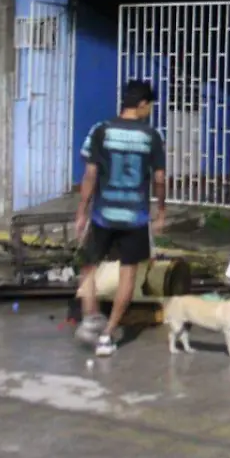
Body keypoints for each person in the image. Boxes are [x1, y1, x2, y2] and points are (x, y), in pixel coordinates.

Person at [74, 80, 167, 358]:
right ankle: (107, 333)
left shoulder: (100, 131)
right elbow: (160, 178)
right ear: (141, 104)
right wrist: (160, 209)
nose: (150, 110)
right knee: (128, 274)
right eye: (149, 105)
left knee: (88, 266)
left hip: (103, 214)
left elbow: (90, 174)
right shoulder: (152, 136)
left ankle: (90, 316)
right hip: (135, 217)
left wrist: (82, 209)